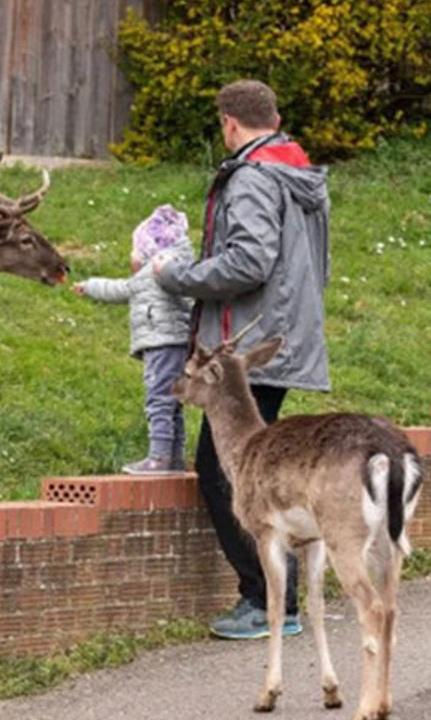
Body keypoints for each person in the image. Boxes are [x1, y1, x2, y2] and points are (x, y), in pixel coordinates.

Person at [153, 79, 331, 640]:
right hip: (285, 335)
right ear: (273, 118)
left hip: (249, 347)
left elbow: (249, 261)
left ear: (230, 123)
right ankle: (281, 597)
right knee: (263, 472)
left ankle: (265, 600)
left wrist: (175, 275)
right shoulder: (298, 172)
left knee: (222, 471)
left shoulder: (254, 177)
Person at [73, 205, 195, 475]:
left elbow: (123, 289)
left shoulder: (161, 272)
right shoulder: (161, 272)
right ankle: (174, 457)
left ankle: (159, 458)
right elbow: (122, 288)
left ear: (151, 249)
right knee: (172, 401)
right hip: (172, 342)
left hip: (162, 343)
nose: (133, 256)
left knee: (159, 399)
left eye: (136, 249)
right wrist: (91, 286)